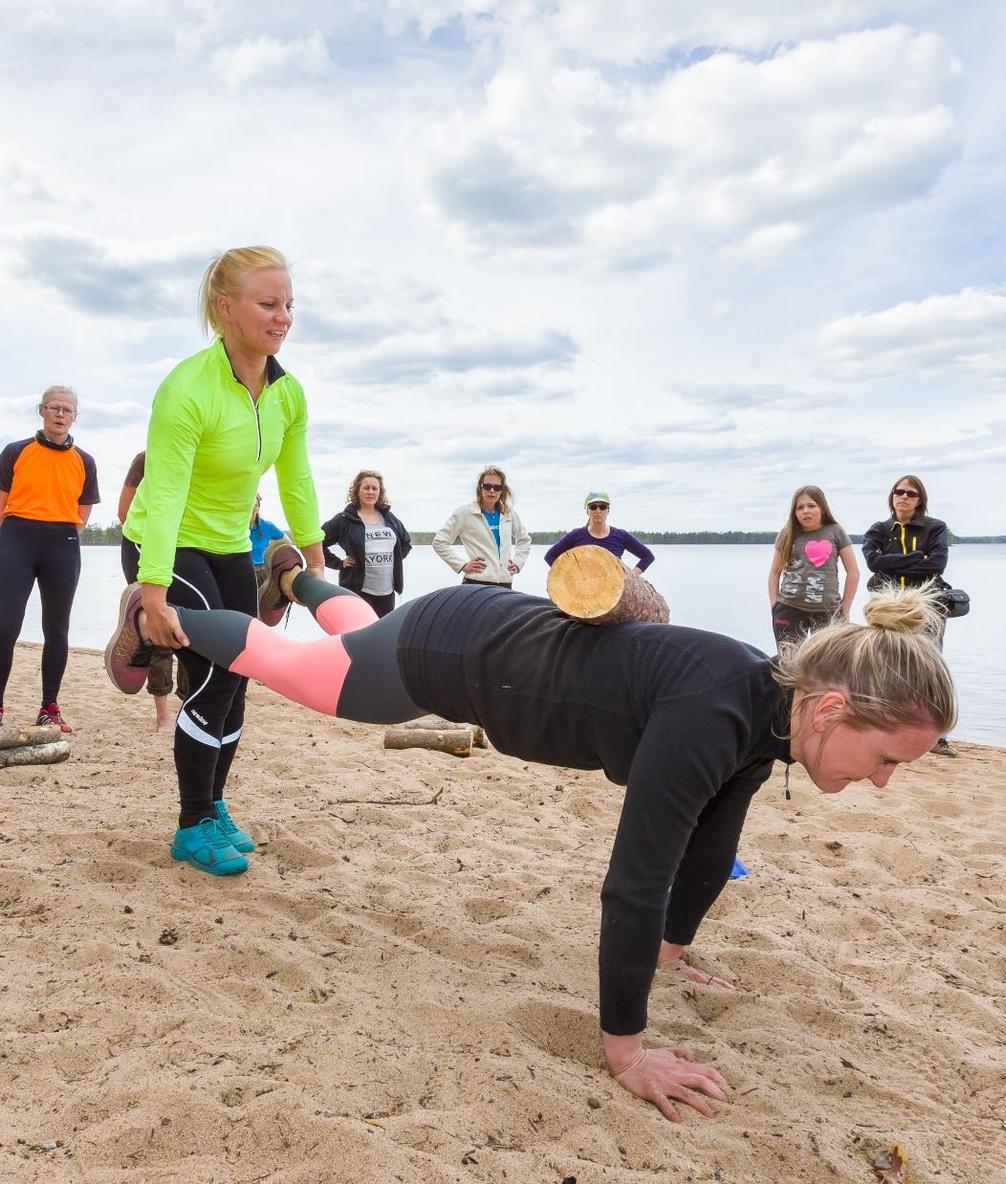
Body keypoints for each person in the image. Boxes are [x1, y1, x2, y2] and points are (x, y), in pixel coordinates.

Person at [106, 554, 955, 1121]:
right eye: (886, 760)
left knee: (354, 634)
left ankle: (294, 581)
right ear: (835, 707)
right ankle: (161, 621)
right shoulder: (713, 712)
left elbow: (713, 832)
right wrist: (627, 1053)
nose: (881, 782)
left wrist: (672, 948)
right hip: (454, 655)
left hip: (477, 623)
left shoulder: (769, 707)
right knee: (299, 671)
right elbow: (634, 879)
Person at [112, 245, 326, 876]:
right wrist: (152, 590)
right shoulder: (186, 389)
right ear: (225, 308)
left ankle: (211, 804)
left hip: (230, 543)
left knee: (243, 672)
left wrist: (313, 557)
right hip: (165, 538)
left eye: (289, 303)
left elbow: (297, 475)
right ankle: (191, 823)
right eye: (269, 303)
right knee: (215, 674)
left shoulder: (287, 394)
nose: (283, 316)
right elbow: (168, 490)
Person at [0, 386, 100, 732]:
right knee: (5, 627)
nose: (60, 414)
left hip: (62, 544)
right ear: (41, 411)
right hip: (17, 539)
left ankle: (49, 707)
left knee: (57, 630)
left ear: (75, 416)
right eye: (54, 408)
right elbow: (2, 501)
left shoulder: (84, 460)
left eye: (67, 409)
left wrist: (65, 531)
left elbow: (83, 511)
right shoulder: (15, 452)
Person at [862, 474, 955, 757]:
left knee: (929, 665)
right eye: (898, 491)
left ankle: (938, 735)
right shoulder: (879, 529)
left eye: (911, 493)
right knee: (886, 663)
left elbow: (936, 565)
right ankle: (887, 724)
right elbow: (873, 562)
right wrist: (917, 558)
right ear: (891, 497)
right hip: (888, 608)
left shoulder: (935, 528)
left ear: (920, 499)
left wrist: (892, 565)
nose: (904, 496)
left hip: (926, 607)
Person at [118, 451, 188, 732]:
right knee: (162, 635)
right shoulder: (145, 459)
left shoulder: (206, 457)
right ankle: (163, 717)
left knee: (189, 631)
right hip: (145, 547)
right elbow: (124, 513)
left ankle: (186, 707)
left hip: (189, 550)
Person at [768, 485, 859, 649]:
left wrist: (845, 608)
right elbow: (775, 573)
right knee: (790, 665)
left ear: (822, 509)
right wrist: (775, 606)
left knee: (828, 666)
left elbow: (853, 573)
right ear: (794, 512)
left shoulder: (835, 532)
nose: (805, 511)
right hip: (789, 608)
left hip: (828, 611)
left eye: (811, 506)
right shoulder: (787, 533)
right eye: (800, 507)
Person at [321, 470, 412, 617]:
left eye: (374, 488)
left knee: (383, 636)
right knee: (359, 634)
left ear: (380, 492)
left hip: (387, 592)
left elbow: (406, 543)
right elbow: (318, 543)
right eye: (366, 488)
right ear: (357, 490)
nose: (370, 492)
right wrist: (339, 563)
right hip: (358, 590)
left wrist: (393, 561)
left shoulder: (389, 518)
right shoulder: (345, 519)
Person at [433, 465, 530, 588]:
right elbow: (439, 542)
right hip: (476, 583)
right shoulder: (465, 513)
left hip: (505, 583)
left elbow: (524, 539)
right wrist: (462, 565)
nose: (492, 491)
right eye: (487, 486)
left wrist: (517, 563)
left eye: (497, 487)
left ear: (502, 490)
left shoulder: (508, 513)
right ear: (480, 487)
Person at [544, 491, 655, 571]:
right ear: (587, 511)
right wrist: (568, 575)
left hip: (613, 594)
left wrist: (631, 578)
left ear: (608, 511)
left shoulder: (621, 536)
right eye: (593, 507)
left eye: (602, 507)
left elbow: (648, 556)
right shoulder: (576, 535)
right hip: (583, 593)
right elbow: (549, 556)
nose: (598, 511)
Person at [249, 494, 285, 584]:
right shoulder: (236, 528)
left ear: (258, 508)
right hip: (243, 574)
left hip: (264, 574)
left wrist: (269, 545)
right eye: (250, 504)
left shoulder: (267, 526)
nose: (253, 509)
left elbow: (286, 541)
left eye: (256, 505)